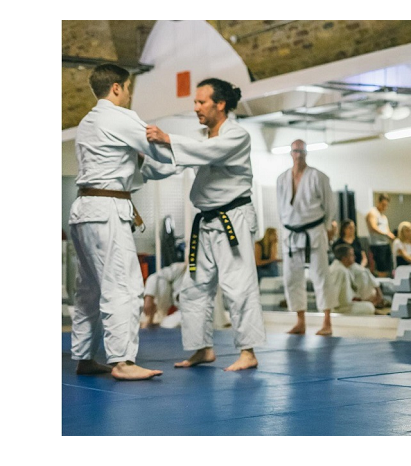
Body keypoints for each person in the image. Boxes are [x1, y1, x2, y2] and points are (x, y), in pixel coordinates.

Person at [145, 77, 265, 371]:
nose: (196, 107)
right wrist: (143, 157)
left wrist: (168, 138)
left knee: (238, 285)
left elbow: (204, 153)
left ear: (220, 104)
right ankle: (202, 348)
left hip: (232, 220)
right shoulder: (207, 141)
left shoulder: (236, 135)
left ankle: (248, 352)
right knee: (194, 286)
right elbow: (177, 162)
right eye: (195, 102)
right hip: (207, 222)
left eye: (201, 102)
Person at [68, 63, 176, 381]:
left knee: (88, 288)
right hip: (107, 210)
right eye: (128, 88)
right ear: (117, 87)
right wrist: (192, 155)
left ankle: (85, 357)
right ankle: (123, 362)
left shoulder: (87, 121)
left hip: (84, 210)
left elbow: (125, 163)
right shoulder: (120, 117)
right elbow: (158, 150)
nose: (129, 94)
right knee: (124, 285)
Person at [275, 139, 338, 336]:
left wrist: (327, 227)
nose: (299, 154)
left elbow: (330, 206)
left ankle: (327, 321)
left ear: (306, 153)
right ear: (290, 153)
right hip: (291, 234)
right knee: (292, 278)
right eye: (295, 151)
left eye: (301, 151)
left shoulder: (318, 177)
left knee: (321, 276)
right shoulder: (281, 179)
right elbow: (280, 208)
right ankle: (300, 321)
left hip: (314, 231)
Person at [325, 244, 383, 315]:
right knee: (369, 307)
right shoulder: (339, 270)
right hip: (339, 308)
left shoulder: (344, 268)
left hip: (345, 304)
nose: (354, 257)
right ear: (344, 258)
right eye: (351, 255)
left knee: (368, 305)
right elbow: (334, 292)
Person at [142, 262, 188, 329]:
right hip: (167, 305)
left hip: (189, 313)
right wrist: (149, 296)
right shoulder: (182, 268)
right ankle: (150, 317)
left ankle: (156, 321)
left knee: (169, 323)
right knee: (160, 282)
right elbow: (155, 277)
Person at [365, 193, 396, 277]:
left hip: (385, 245)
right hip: (377, 246)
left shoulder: (383, 216)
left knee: (387, 267)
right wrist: (386, 234)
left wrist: (392, 237)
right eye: (383, 205)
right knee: (380, 268)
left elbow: (387, 230)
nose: (384, 207)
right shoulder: (373, 213)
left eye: (386, 205)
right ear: (378, 202)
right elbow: (373, 227)